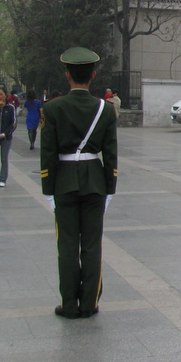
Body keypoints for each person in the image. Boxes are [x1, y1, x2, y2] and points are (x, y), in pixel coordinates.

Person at [41, 47, 118, 319]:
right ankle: (89, 303)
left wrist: (47, 190)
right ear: (93, 76)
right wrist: (110, 189)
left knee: (68, 247)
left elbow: (48, 153)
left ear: (67, 76)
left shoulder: (52, 108)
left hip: (63, 182)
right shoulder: (105, 109)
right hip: (95, 182)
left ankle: (69, 304)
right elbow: (110, 153)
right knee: (92, 245)